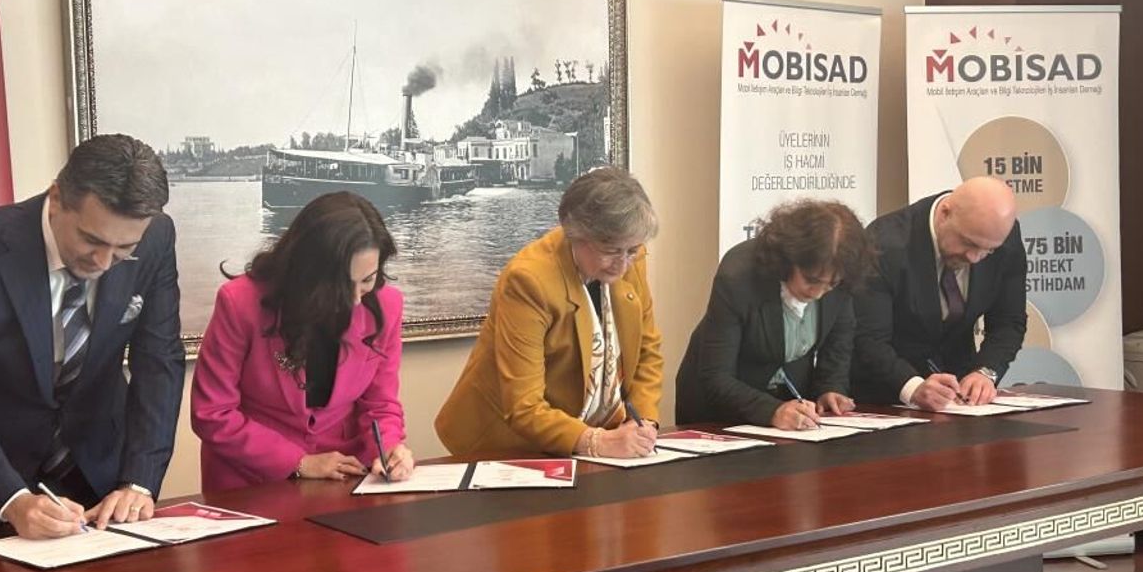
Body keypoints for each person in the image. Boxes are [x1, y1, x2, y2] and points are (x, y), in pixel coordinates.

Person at [0, 134, 184, 538]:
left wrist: (138, 481)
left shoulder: (157, 237)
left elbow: (159, 363)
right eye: (92, 240)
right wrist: (12, 499)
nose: (104, 263)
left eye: (123, 249)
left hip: (97, 477)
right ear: (56, 198)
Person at [191, 191, 414, 492]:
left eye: (367, 280)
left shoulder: (386, 306)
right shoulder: (240, 302)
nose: (353, 300)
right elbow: (212, 413)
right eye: (340, 284)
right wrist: (299, 462)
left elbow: (380, 404)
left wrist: (389, 447)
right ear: (308, 271)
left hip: (346, 476)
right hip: (251, 479)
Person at [435, 167, 663, 459]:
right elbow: (524, 405)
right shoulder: (528, 280)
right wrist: (597, 442)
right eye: (610, 250)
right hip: (508, 446)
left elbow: (646, 350)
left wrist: (643, 422)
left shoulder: (630, 255)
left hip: (594, 436)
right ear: (576, 234)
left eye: (632, 250)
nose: (623, 264)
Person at [676, 199, 875, 430]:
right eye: (811, 280)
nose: (818, 293)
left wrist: (830, 388)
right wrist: (772, 411)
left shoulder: (840, 279)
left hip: (788, 409)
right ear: (790, 259)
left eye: (830, 284)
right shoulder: (738, 277)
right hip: (717, 412)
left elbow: (838, 342)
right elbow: (716, 376)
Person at [852, 176, 1027, 410]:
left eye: (988, 250)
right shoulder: (884, 242)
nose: (974, 257)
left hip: (958, 400)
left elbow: (1009, 321)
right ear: (945, 214)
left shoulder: (1002, 237)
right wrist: (912, 387)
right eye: (968, 243)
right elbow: (868, 337)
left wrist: (985, 372)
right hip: (884, 396)